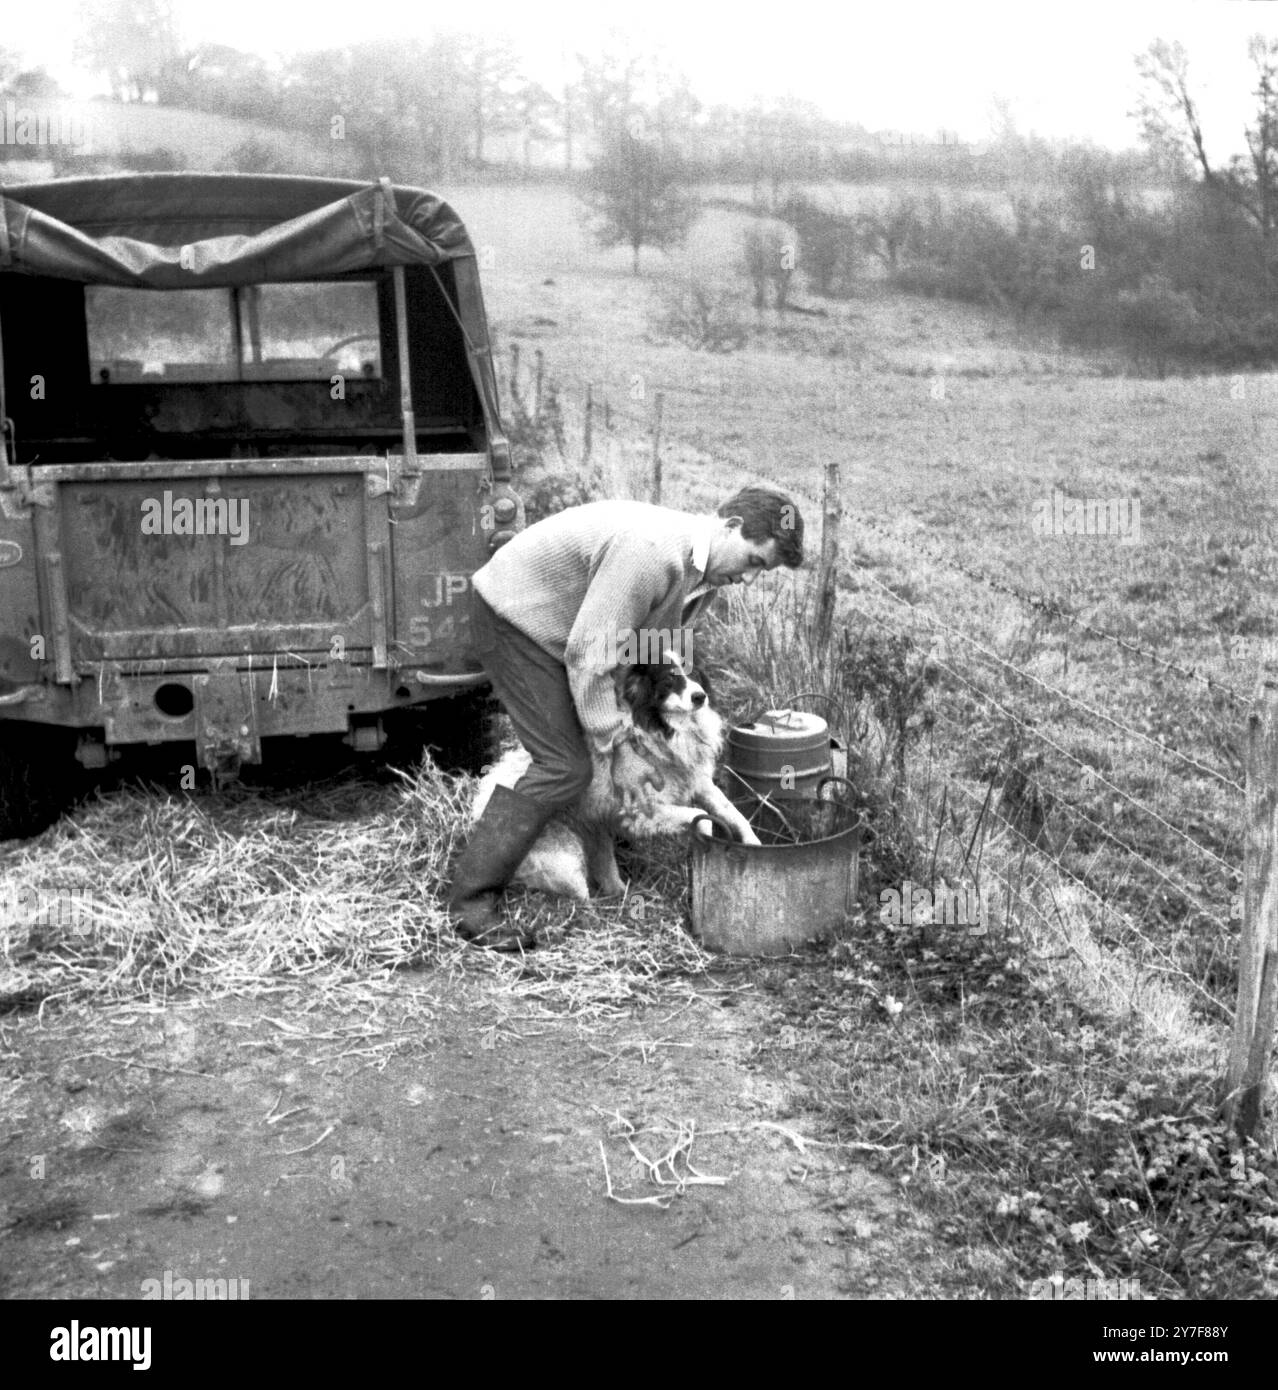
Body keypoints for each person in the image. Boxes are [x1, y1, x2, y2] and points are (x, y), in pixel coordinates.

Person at [448, 486, 804, 949]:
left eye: (764, 572)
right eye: (755, 562)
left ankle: (593, 841)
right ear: (731, 527)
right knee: (565, 766)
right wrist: (620, 749)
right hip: (515, 618)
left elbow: (634, 658)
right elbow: (591, 655)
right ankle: (471, 904)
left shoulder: (702, 580)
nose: (751, 580)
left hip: (566, 631)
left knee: (586, 747)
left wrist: (629, 741)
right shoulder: (653, 555)